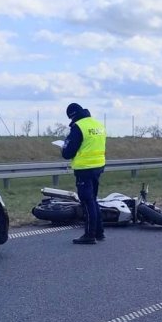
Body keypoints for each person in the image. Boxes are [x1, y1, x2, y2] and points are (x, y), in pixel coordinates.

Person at [62, 103, 107, 244]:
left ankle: (90, 235)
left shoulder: (79, 127)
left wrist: (64, 146)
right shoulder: (98, 124)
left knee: (87, 202)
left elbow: (68, 152)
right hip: (98, 166)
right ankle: (99, 232)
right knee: (93, 199)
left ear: (72, 115)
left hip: (84, 169)